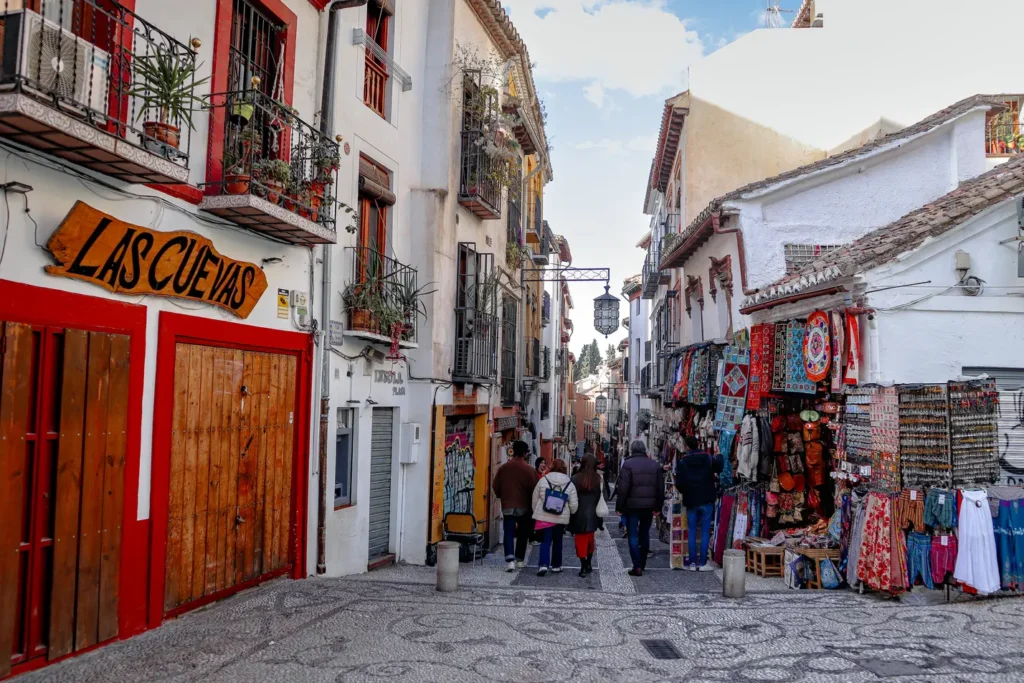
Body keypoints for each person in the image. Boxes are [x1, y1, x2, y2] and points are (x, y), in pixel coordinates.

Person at [615, 439, 664, 577]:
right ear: (644, 450)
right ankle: (642, 563)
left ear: (632, 450)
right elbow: (661, 488)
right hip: (648, 507)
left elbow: (622, 489)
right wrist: (658, 506)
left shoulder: (628, 465)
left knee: (632, 535)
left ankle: (636, 565)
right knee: (644, 533)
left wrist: (619, 507)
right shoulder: (654, 465)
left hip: (632, 507)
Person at [675, 435, 724, 571]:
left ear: (687, 446)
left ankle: (692, 563)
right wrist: (719, 454)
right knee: (704, 531)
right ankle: (702, 563)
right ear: (698, 444)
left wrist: (686, 491)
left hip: (691, 500)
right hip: (706, 498)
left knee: (691, 531)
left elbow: (679, 483)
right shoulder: (707, 458)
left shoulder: (683, 461)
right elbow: (719, 467)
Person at [492, 440, 540, 571]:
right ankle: (519, 560)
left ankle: (509, 560)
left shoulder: (504, 468)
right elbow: (535, 489)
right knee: (522, 533)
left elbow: (495, 485)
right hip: (524, 505)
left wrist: (502, 496)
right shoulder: (529, 470)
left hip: (507, 504)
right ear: (525, 453)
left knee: (508, 531)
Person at [531, 459, 578, 576]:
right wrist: (571, 512)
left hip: (544, 517)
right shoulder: (569, 483)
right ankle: (556, 566)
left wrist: (536, 511)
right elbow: (573, 505)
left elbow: (535, 498)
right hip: (560, 518)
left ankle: (543, 565)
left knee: (545, 542)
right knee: (558, 541)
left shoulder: (543, 480)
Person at [569, 454, 602, 577]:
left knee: (580, 541)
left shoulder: (575, 478)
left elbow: (571, 497)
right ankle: (588, 563)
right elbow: (601, 496)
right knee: (590, 540)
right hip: (593, 514)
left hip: (578, 513)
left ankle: (583, 565)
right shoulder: (597, 478)